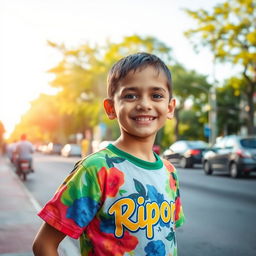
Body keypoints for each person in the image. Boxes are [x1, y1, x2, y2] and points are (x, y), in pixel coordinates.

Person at [32, 52, 185, 256]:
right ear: (111, 108)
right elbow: (44, 245)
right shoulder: (96, 169)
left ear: (170, 107)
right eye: (130, 95)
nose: (144, 104)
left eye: (156, 95)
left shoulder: (169, 172)